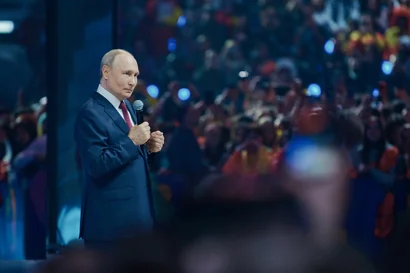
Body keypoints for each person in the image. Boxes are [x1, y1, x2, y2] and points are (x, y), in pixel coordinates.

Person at [74, 49, 164, 248]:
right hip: (111, 228)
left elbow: (129, 161)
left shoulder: (128, 107)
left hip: (138, 225)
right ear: (106, 72)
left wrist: (147, 148)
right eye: (127, 74)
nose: (133, 82)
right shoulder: (90, 113)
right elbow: (96, 165)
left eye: (135, 75)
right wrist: (132, 142)